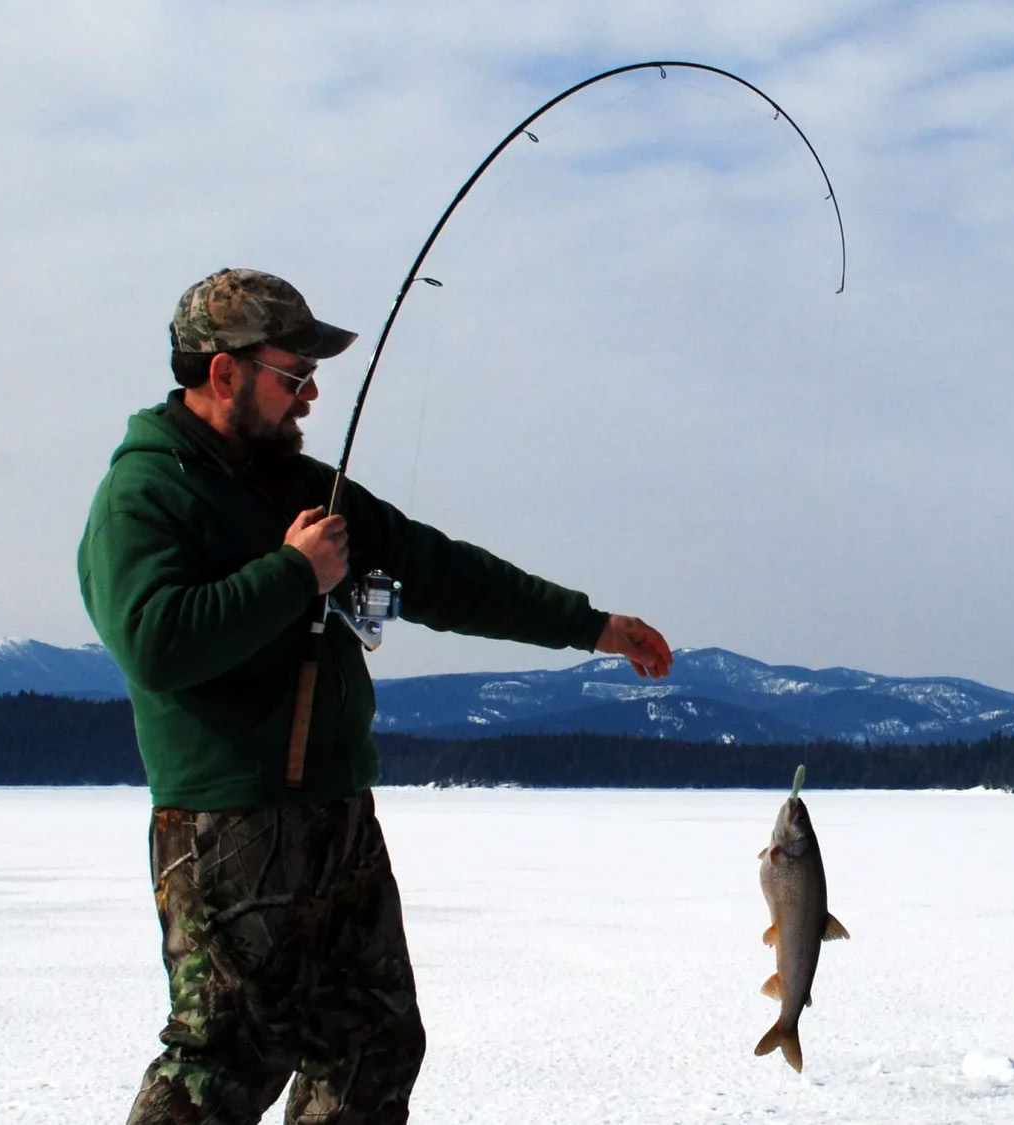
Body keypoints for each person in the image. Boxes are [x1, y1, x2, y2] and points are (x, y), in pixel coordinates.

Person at [77, 267, 673, 1124]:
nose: (312, 394)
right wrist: (293, 573)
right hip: (228, 826)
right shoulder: (145, 495)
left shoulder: (303, 487)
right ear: (224, 373)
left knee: (371, 1044)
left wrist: (589, 626)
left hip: (337, 817)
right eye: (293, 374)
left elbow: (438, 570)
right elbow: (155, 642)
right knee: (225, 1061)